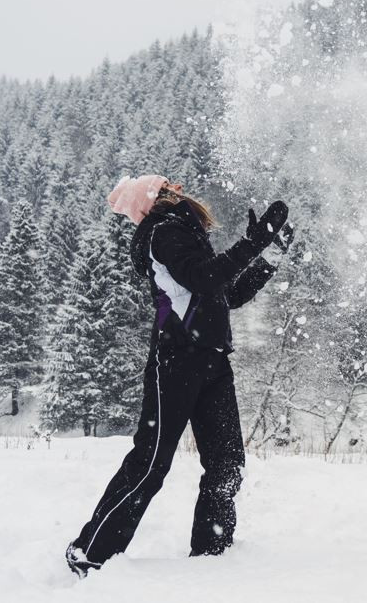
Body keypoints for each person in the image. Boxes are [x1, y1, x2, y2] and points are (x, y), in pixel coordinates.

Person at [65, 175, 293, 577]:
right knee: (151, 463)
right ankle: (89, 551)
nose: (180, 189)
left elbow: (227, 293)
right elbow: (205, 278)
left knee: (226, 463)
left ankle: (212, 554)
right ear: (155, 198)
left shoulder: (187, 233)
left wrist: (269, 257)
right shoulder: (163, 233)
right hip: (175, 363)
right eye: (169, 186)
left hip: (212, 361)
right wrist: (253, 243)